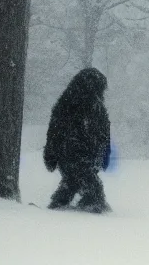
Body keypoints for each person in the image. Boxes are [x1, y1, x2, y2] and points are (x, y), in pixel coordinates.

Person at [43, 67, 112, 213]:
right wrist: (104, 157)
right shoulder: (95, 107)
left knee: (72, 182)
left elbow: (54, 131)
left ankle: (57, 207)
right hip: (82, 157)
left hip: (70, 156)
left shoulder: (65, 104)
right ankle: (91, 212)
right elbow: (104, 136)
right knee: (93, 190)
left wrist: (50, 156)